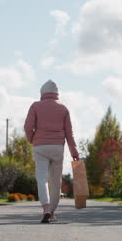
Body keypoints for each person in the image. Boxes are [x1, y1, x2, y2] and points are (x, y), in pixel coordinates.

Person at [24, 79, 80, 223]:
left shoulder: (35, 106)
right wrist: (74, 152)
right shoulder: (63, 108)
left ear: (42, 93)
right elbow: (69, 133)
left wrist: (32, 139)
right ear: (56, 94)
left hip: (40, 147)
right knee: (56, 181)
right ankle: (53, 212)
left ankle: (46, 208)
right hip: (57, 148)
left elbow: (28, 127)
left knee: (42, 178)